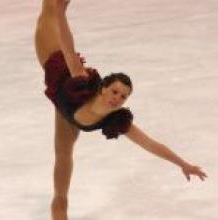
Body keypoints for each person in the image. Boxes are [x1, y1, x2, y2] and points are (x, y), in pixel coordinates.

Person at [35, 0, 207, 220]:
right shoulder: (82, 82)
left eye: (123, 96)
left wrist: (183, 164)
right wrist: (60, 12)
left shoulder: (116, 119)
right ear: (103, 89)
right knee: (50, 8)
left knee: (61, 181)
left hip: (66, 111)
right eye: (115, 92)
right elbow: (68, 48)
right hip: (54, 58)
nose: (117, 98)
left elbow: (150, 144)